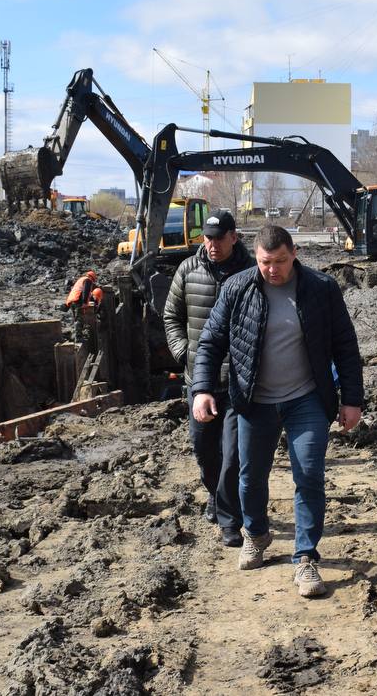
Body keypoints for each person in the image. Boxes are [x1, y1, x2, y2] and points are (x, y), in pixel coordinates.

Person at [191, 224, 363, 598]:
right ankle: (256, 534)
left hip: (307, 399)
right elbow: (210, 342)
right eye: (266, 262)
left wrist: (352, 399)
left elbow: (345, 345)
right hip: (255, 400)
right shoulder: (237, 288)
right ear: (256, 258)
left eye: (280, 261)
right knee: (250, 476)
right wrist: (202, 389)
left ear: (294, 254)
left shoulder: (321, 288)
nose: (273, 270)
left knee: (309, 475)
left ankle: (306, 558)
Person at [162, 211, 255, 548]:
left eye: (219, 238)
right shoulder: (188, 270)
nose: (212, 244)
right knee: (204, 451)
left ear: (234, 237)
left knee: (232, 454)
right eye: (207, 237)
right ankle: (215, 495)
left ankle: (230, 521)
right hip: (198, 381)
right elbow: (171, 316)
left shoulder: (250, 272)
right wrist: (184, 352)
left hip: (236, 381)